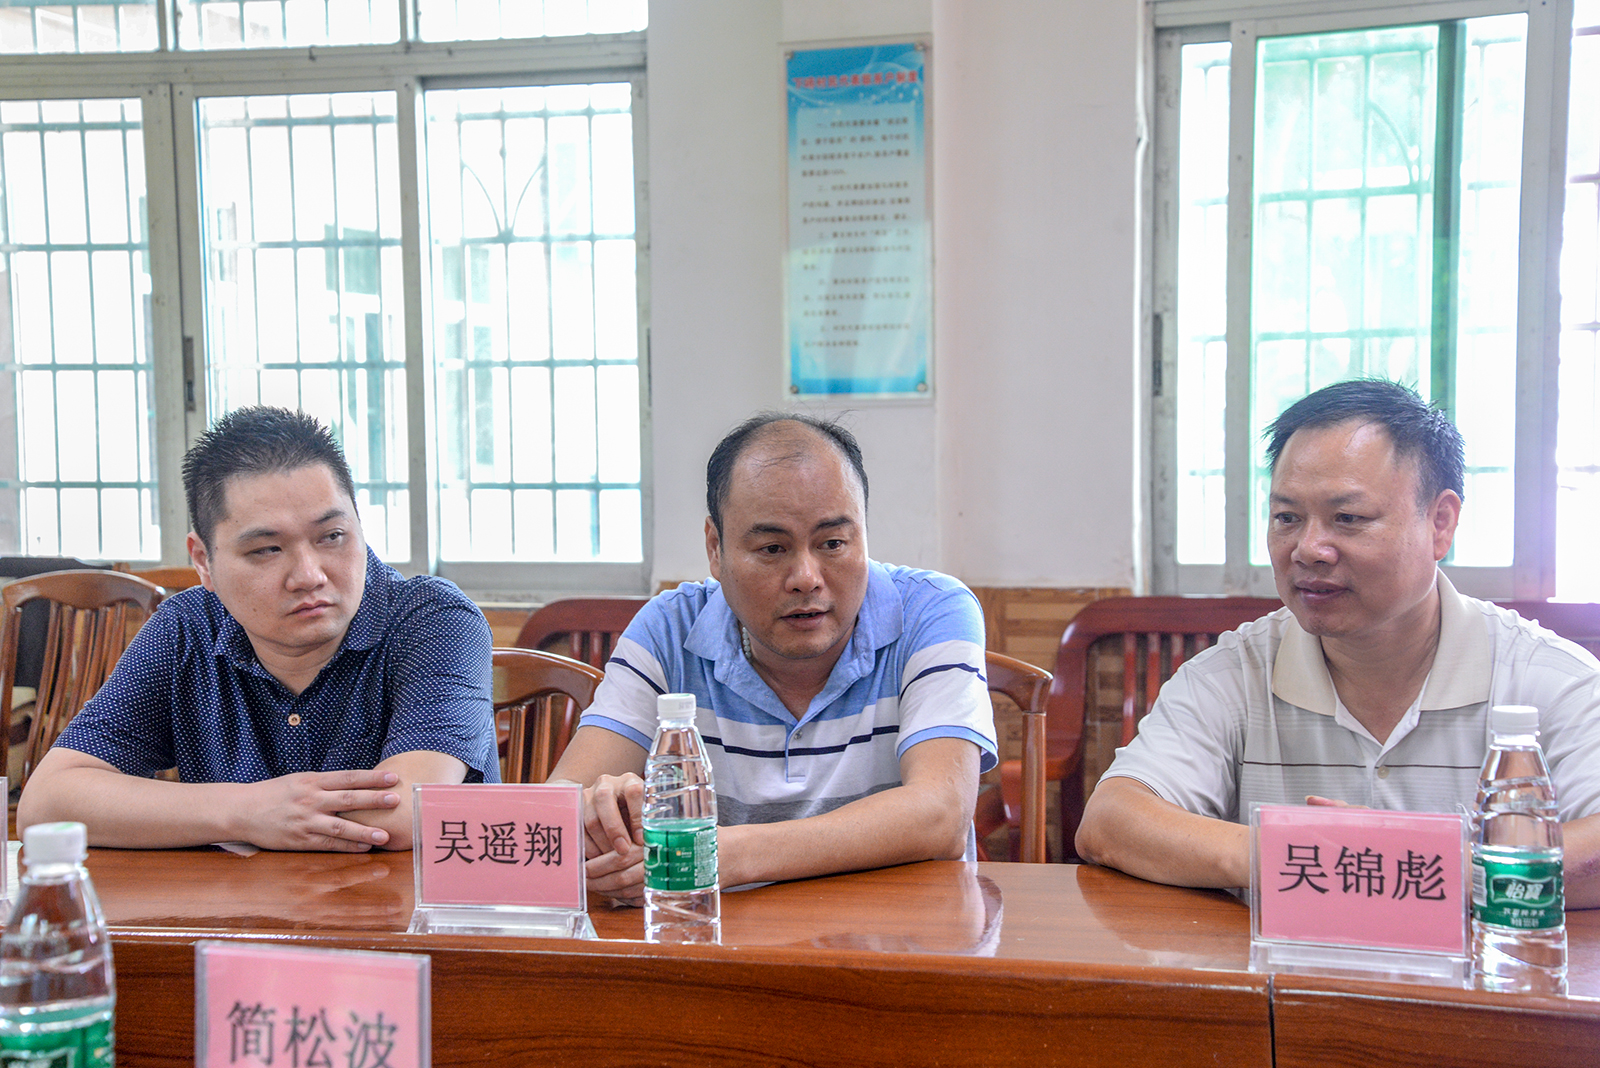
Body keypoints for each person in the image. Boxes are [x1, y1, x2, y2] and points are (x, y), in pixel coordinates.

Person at [1076, 379, 1600, 906]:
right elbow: (1111, 820)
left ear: (1440, 523)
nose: (1308, 549)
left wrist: (1417, 866)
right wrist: (1297, 853)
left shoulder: (1552, 681)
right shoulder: (1233, 674)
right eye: (1287, 518)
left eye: (1348, 518)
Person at [549, 412, 996, 903]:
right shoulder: (670, 629)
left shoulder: (933, 611)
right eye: (772, 548)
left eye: (833, 543)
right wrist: (598, 816)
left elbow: (940, 813)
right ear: (715, 548)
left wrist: (721, 855)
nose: (806, 577)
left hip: (901, 936)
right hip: (721, 940)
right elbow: (559, 808)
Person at [17, 406, 499, 852]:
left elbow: (401, 814)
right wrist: (247, 810)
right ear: (203, 561)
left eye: (332, 536)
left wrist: (239, 813)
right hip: (239, 911)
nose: (309, 575)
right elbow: (48, 803)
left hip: (399, 913)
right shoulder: (187, 628)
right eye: (267, 549)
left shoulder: (433, 619)